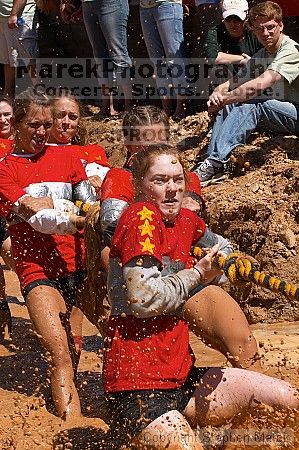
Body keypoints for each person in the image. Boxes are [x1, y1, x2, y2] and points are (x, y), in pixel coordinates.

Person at [103, 145, 298, 449]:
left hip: (184, 379)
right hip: (136, 389)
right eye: (160, 181)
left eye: (177, 180)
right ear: (140, 185)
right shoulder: (140, 217)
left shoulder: (185, 220)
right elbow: (142, 300)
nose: (172, 190)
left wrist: (232, 263)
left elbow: (222, 247)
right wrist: (197, 274)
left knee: (286, 400)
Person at [0, 89, 95, 419]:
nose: (41, 132)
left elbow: (90, 202)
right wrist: (68, 209)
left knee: (78, 348)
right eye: (33, 125)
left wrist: (78, 207)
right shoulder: (5, 170)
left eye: (46, 124)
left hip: (79, 266)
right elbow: (39, 219)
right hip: (37, 270)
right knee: (59, 356)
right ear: (16, 124)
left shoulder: (68, 158)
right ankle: (71, 426)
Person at [194, 0, 299, 185]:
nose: (265, 33)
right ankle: (214, 162)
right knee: (234, 99)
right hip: (282, 112)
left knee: (253, 101)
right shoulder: (263, 53)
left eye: (270, 27)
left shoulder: (290, 51)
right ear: (253, 30)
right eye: (260, 29)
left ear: (281, 26)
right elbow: (233, 83)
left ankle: (216, 161)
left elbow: (258, 85)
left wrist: (224, 99)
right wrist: (218, 94)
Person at [48, 93, 110, 197]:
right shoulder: (35, 152)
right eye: (60, 115)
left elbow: (102, 183)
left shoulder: (93, 151)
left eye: (73, 117)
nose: (66, 122)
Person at [139, 0, 187, 119]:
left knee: (174, 58)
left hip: (167, 4)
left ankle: (180, 107)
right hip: (145, 6)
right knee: (157, 61)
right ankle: (166, 110)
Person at [0, 95, 16, 339]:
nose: (3, 119)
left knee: (21, 266)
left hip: (17, 216)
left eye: (7, 114)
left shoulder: (27, 142)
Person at [206, 0, 261, 66]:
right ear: (223, 18)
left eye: (237, 19)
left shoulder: (255, 32)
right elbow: (212, 58)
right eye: (228, 18)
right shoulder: (215, 32)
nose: (232, 24)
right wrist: (244, 59)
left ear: (246, 18)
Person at [3, 0, 38, 96]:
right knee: (8, 60)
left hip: (20, 16)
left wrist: (14, 13)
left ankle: (41, 92)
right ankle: (7, 94)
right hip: (4, 17)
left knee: (30, 59)